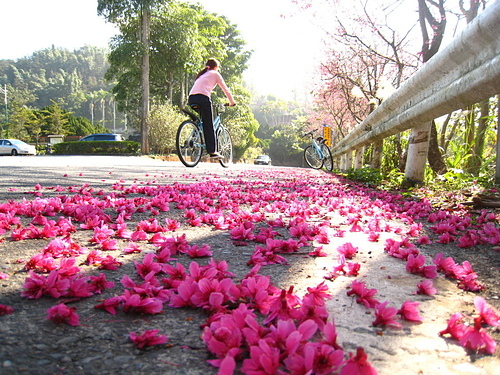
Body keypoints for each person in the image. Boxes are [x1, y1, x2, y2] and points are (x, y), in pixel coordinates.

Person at [188, 58, 236, 160]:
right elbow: (225, 89)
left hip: (192, 98)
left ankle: (195, 133)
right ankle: (212, 151)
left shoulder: (201, 75)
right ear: (216, 67)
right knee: (209, 125)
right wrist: (232, 102)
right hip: (203, 98)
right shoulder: (215, 74)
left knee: (203, 121)